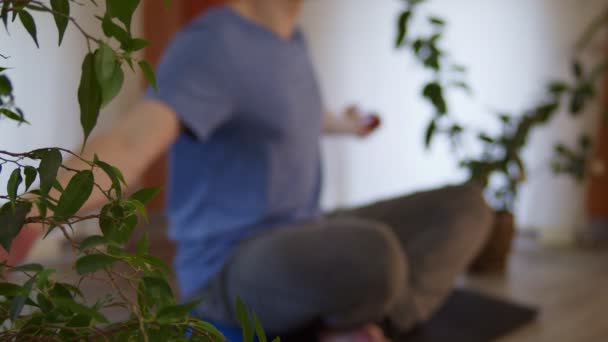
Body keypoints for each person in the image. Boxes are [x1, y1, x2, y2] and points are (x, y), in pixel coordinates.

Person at [20, 0, 493, 341]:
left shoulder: (292, 40)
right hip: (233, 264)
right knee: (377, 253)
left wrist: (346, 124)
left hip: (306, 230)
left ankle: (376, 320)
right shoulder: (212, 45)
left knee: (466, 205)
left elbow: (291, 113)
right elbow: (131, 140)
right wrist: (35, 210)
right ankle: (357, 320)